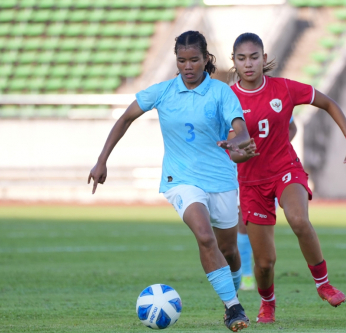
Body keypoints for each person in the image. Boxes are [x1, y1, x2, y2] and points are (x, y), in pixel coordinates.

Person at [88, 31, 256, 332]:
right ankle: (233, 307)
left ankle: (228, 294)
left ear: (206, 59)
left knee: (229, 251)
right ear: (175, 61)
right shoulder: (163, 91)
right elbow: (125, 117)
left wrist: (237, 144)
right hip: (180, 180)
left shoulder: (221, 92)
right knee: (205, 236)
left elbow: (240, 130)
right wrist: (102, 159)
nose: (188, 66)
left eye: (194, 60)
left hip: (221, 180)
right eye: (182, 60)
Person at [227, 33, 346, 323]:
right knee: (265, 263)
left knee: (299, 219)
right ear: (234, 62)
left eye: (254, 57)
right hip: (251, 183)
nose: (248, 63)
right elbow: (232, 153)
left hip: (285, 169)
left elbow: (328, 103)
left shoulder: (284, 89)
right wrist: (241, 151)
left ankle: (323, 284)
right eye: (241, 58)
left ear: (264, 59)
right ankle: (268, 304)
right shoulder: (228, 99)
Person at [237, 118, 297, 291]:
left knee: (259, 225)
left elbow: (292, 127)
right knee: (242, 223)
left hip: (267, 171)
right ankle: (246, 274)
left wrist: (276, 148)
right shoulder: (227, 100)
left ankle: (258, 272)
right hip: (236, 169)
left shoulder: (273, 98)